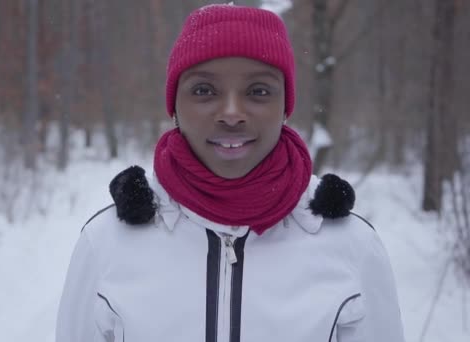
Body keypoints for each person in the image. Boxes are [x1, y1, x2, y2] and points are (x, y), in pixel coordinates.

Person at [56, 4, 405, 342]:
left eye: (258, 91)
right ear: (174, 105)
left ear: (285, 105)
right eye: (204, 90)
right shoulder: (106, 243)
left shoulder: (350, 246)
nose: (232, 113)